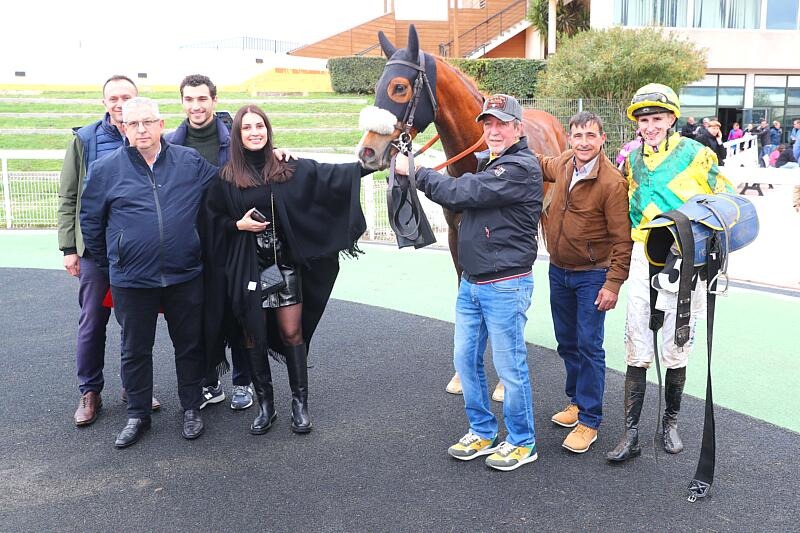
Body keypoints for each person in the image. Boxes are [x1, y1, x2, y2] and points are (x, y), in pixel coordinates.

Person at [394, 94, 542, 471]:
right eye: (488, 124)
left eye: (501, 124)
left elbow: (462, 192)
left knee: (510, 368)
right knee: (465, 360)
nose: (493, 130)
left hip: (505, 284)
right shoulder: (490, 163)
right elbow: (463, 192)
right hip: (473, 283)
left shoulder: (520, 167)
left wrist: (414, 170)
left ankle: (522, 441)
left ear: (518, 128)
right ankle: (482, 431)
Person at [203, 105, 368, 436]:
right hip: (247, 269)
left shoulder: (286, 167)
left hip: (284, 266)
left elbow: (331, 177)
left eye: (260, 126)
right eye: (247, 127)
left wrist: (374, 164)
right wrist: (237, 225)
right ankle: (266, 406)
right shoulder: (225, 179)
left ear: (268, 130)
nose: (254, 132)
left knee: (292, 332)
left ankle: (299, 404)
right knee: (252, 336)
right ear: (237, 135)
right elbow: (209, 221)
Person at [80, 97, 218, 448]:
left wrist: (273, 156)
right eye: (133, 124)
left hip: (185, 273)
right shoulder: (105, 169)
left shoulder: (189, 161)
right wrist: (116, 260)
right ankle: (138, 414)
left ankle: (191, 407)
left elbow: (228, 184)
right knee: (135, 349)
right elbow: (91, 223)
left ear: (161, 125)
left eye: (147, 122)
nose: (141, 129)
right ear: (124, 128)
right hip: (131, 279)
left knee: (189, 344)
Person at [606, 83, 733, 463]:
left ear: (672, 119)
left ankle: (670, 423)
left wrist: (704, 242)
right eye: (644, 120)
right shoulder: (631, 160)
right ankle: (631, 433)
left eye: (657, 119)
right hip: (643, 258)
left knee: (677, 344)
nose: (650, 126)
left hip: (685, 261)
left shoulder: (698, 155)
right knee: (636, 342)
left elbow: (725, 201)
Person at [57, 75, 161, 427]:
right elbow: (69, 195)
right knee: (92, 321)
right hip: (95, 252)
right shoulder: (85, 139)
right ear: (104, 103)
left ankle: (134, 388)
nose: (119, 103)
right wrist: (69, 247)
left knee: (134, 324)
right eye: (113, 98)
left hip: (135, 253)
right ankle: (90, 391)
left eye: (126, 97)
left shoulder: (148, 135)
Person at [536, 111, 633, 454]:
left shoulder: (611, 183)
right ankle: (577, 401)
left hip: (592, 275)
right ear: (570, 139)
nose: (584, 142)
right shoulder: (565, 162)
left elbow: (623, 240)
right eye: (578, 136)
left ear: (602, 139)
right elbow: (540, 163)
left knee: (589, 345)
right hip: (558, 270)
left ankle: (590, 420)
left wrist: (613, 283)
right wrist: (507, 143)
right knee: (567, 342)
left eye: (591, 136)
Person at [166, 74, 252, 411]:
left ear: (214, 101)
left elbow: (260, 163)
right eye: (189, 99)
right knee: (200, 318)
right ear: (182, 102)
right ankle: (210, 383)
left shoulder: (235, 141)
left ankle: (243, 382)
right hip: (192, 246)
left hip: (234, 240)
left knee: (240, 314)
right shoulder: (169, 144)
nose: (196, 106)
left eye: (202, 99)